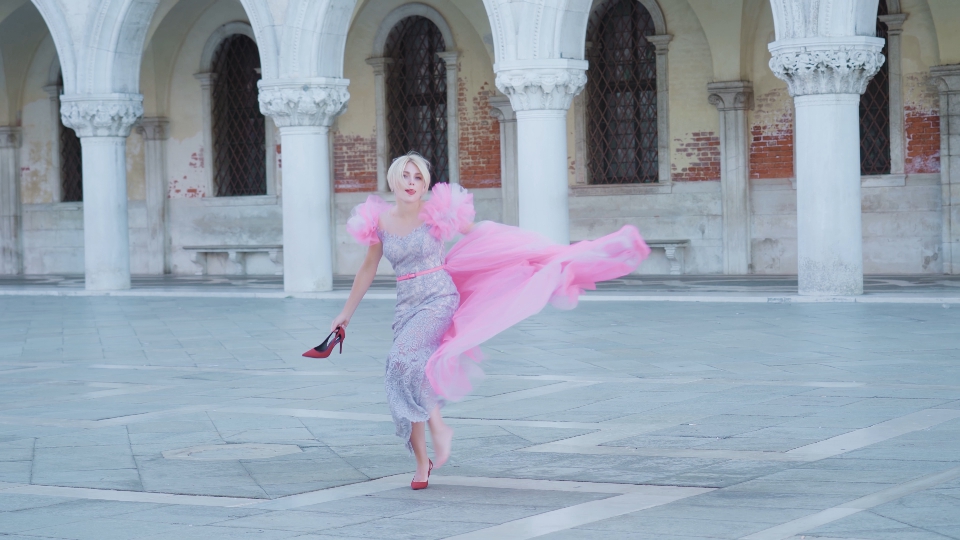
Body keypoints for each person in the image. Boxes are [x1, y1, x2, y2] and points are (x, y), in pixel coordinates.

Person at [332, 151, 650, 490]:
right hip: (405, 305)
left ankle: (438, 425)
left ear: (425, 184)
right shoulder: (379, 222)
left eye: (419, 178)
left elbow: (478, 233)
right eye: (406, 176)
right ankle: (422, 462)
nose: (412, 183)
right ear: (394, 180)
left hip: (439, 298)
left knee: (400, 360)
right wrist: (345, 314)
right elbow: (368, 269)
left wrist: (523, 250)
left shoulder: (436, 212)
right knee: (408, 369)